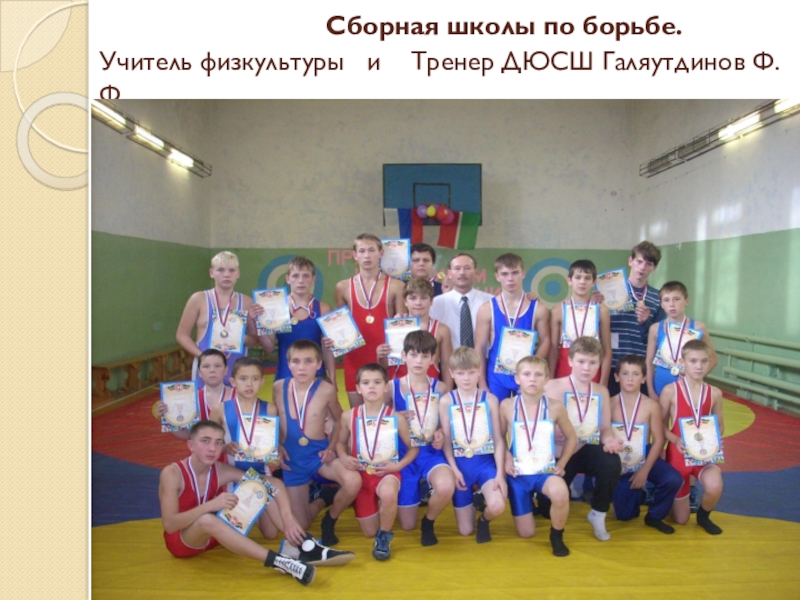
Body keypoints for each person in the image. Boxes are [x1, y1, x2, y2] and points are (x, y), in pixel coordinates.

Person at [159, 420, 353, 585]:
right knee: (206, 520)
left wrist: (287, 517)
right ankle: (280, 562)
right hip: (183, 541)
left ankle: (302, 545)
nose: (212, 448)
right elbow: (170, 524)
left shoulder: (219, 470)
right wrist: (210, 506)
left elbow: (273, 484)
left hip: (216, 536)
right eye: (205, 441)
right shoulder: (172, 473)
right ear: (190, 445)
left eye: (218, 443)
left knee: (259, 486)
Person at [272, 340, 361, 545]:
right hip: (291, 459)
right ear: (288, 364)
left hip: (318, 455)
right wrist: (276, 445)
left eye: (308, 361)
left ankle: (331, 519)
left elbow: (339, 420)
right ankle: (323, 497)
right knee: (301, 524)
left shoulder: (326, 389)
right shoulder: (278, 387)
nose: (302, 367)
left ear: (319, 364)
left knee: (353, 481)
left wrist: (332, 447)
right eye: (296, 361)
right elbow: (272, 419)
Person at [542, 337, 623, 541]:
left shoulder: (601, 391)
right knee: (545, 510)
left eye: (592, 362)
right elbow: (533, 424)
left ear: (599, 364)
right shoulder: (551, 386)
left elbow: (605, 428)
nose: (586, 368)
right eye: (581, 361)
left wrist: (610, 441)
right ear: (570, 361)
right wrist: (550, 431)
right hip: (559, 453)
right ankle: (560, 489)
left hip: (586, 447)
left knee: (611, 462)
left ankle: (598, 513)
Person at [336, 363, 418, 560]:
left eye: (377, 382)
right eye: (366, 383)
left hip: (387, 472)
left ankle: (384, 536)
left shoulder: (396, 418)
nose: (371, 387)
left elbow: (414, 448)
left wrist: (398, 466)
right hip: (361, 476)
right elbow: (340, 444)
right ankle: (379, 516)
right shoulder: (348, 416)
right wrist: (344, 457)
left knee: (389, 494)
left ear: (386, 386)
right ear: (358, 388)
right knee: (368, 531)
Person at [499, 356, 577, 556]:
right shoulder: (507, 405)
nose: (532, 379)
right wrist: (507, 457)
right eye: (527, 374)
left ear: (547, 380)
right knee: (527, 533)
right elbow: (499, 438)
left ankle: (556, 535)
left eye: (538, 375)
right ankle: (529, 506)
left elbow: (571, 437)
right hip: (518, 475)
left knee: (560, 492)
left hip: (545, 472)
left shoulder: (555, 407)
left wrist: (562, 463)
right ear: (517, 379)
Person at [387, 330, 456, 546]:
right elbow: (376, 422)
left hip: (429, 453)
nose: (419, 361)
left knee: (446, 487)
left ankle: (429, 521)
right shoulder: (391, 387)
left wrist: (440, 433)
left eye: (425, 356)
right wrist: (395, 417)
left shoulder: (441, 387)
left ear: (433, 358)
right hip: (404, 456)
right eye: (414, 355)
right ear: (403, 355)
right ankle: (421, 488)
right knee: (407, 525)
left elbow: (444, 424)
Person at [439, 347, 507, 543]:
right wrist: (453, 469)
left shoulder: (490, 400)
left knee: (497, 506)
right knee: (465, 531)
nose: (466, 378)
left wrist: (500, 474)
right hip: (460, 467)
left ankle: (484, 520)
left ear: (479, 371)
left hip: (485, 465)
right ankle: (475, 500)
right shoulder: (446, 401)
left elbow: (498, 439)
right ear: (452, 374)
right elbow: (446, 441)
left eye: (471, 372)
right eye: (460, 373)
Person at [610, 355, 683, 534]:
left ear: (643, 378)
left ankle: (655, 516)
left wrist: (644, 470)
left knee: (673, 479)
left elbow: (659, 440)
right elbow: (604, 437)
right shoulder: (609, 404)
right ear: (617, 377)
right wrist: (614, 466)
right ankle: (639, 494)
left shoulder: (651, 405)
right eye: (625, 373)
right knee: (625, 515)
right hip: (620, 459)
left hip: (645, 454)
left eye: (636, 374)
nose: (630, 378)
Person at [660, 340, 725, 534]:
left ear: (709, 362)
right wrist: (674, 439)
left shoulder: (715, 393)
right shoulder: (670, 391)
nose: (699, 366)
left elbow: (720, 425)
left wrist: (713, 439)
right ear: (682, 362)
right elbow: (659, 425)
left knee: (715, 486)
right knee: (681, 520)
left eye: (704, 361)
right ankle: (668, 496)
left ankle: (704, 518)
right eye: (693, 361)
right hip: (678, 455)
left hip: (703, 454)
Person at [334, 234, 405, 407]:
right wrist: (334, 339)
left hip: (386, 359)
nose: (367, 256)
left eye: (372, 250)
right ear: (354, 255)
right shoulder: (342, 287)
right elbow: (338, 325)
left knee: (388, 416)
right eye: (362, 251)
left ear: (381, 253)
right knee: (358, 415)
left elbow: (402, 324)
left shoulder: (397, 286)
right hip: (354, 358)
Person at [175, 251, 262, 386]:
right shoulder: (198, 299)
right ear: (212, 273)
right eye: (220, 270)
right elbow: (182, 335)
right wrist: (203, 356)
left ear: (238, 273)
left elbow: (256, 339)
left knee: (235, 400)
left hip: (236, 368)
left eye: (231, 270)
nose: (226, 274)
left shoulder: (246, 302)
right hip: (206, 368)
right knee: (204, 399)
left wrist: (240, 337)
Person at [475, 253, 551, 401]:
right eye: (504, 274)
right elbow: (480, 347)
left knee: (525, 415)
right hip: (495, 376)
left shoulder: (538, 308)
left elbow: (546, 340)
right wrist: (482, 383)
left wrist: (531, 368)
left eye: (515, 272)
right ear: (497, 276)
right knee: (495, 415)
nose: (510, 278)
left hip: (526, 376)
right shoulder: (487, 309)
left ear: (523, 273)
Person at [594, 241, 664, 398]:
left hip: (640, 366)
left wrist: (646, 323)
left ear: (654, 268)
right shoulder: (606, 290)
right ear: (630, 261)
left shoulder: (658, 298)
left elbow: (659, 338)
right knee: (609, 407)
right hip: (611, 363)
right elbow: (594, 327)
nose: (642, 267)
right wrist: (592, 306)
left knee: (638, 410)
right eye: (639, 261)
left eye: (648, 264)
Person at [258, 256, 337, 387]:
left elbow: (327, 348)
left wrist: (333, 377)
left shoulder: (323, 308)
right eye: (295, 276)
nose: (301, 281)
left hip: (317, 376)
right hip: (285, 375)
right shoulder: (276, 309)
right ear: (287, 279)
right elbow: (269, 348)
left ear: (313, 279)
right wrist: (260, 321)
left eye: (306, 276)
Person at [645, 281, 717, 401]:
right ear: (661, 304)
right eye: (666, 300)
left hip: (688, 386)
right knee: (660, 414)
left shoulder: (698, 327)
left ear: (686, 301)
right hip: (660, 384)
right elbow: (648, 362)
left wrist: (695, 377)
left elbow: (713, 359)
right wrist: (651, 391)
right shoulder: (655, 328)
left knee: (683, 413)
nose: (671, 304)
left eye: (676, 299)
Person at [377, 278, 454, 389]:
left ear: (431, 301)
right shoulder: (394, 327)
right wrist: (381, 356)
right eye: (413, 298)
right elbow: (385, 365)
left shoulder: (441, 330)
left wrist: (448, 392)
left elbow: (447, 365)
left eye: (423, 298)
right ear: (405, 301)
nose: (418, 303)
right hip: (399, 388)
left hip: (430, 389)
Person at [550, 259, 612, 387]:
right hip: (564, 370)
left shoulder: (601, 310)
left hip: (591, 372)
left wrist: (603, 382)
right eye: (578, 277)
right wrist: (550, 378)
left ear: (594, 282)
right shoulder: (558, 310)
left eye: (587, 278)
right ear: (569, 280)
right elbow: (553, 348)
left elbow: (606, 349)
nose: (582, 282)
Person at [209, 357, 274, 475]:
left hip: (262, 474)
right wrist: (225, 448)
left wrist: (276, 457)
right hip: (230, 476)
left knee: (276, 487)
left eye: (255, 379)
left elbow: (274, 446)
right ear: (233, 382)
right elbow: (209, 443)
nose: (249, 384)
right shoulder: (220, 409)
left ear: (262, 382)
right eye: (243, 379)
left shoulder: (270, 409)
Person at [157, 349, 235, 441]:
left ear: (226, 370)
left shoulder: (238, 397)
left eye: (217, 366)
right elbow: (188, 436)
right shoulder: (192, 399)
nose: (212, 370)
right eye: (206, 366)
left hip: (233, 449)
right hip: (204, 450)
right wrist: (167, 418)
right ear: (199, 372)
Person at [430, 254, 494, 351]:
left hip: (483, 358)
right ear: (449, 273)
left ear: (476, 272)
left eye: (467, 268)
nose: (462, 272)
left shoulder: (490, 301)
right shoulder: (436, 303)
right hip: (448, 358)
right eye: (457, 268)